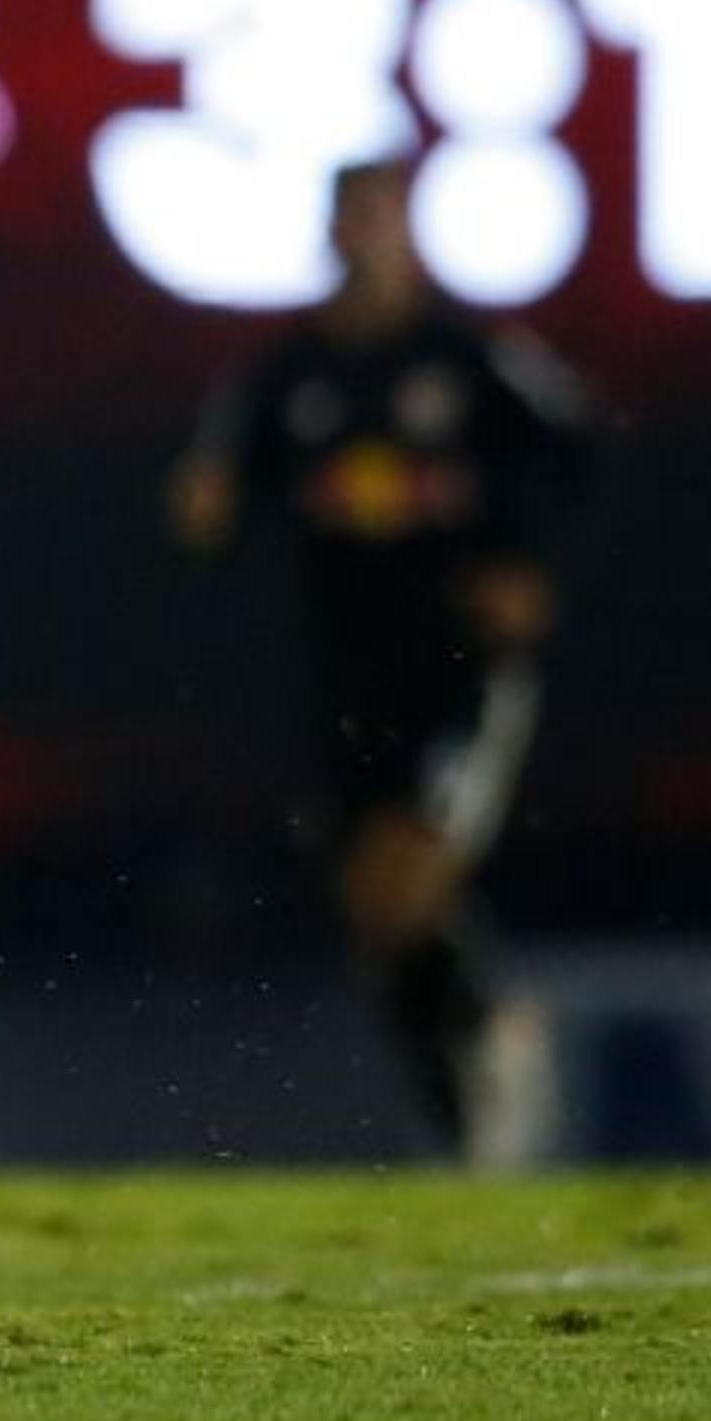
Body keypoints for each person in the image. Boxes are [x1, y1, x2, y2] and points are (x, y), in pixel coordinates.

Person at [165, 154, 590, 1168]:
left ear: (409, 234)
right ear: (332, 234)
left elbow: (577, 452)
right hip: (344, 672)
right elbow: (212, 498)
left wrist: (526, 568)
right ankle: (478, 1075)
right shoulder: (289, 378)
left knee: (403, 882)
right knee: (371, 915)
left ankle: (484, 1095)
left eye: (383, 217)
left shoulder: (471, 361)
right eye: (353, 218)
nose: (368, 238)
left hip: (458, 666)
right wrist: (206, 504)